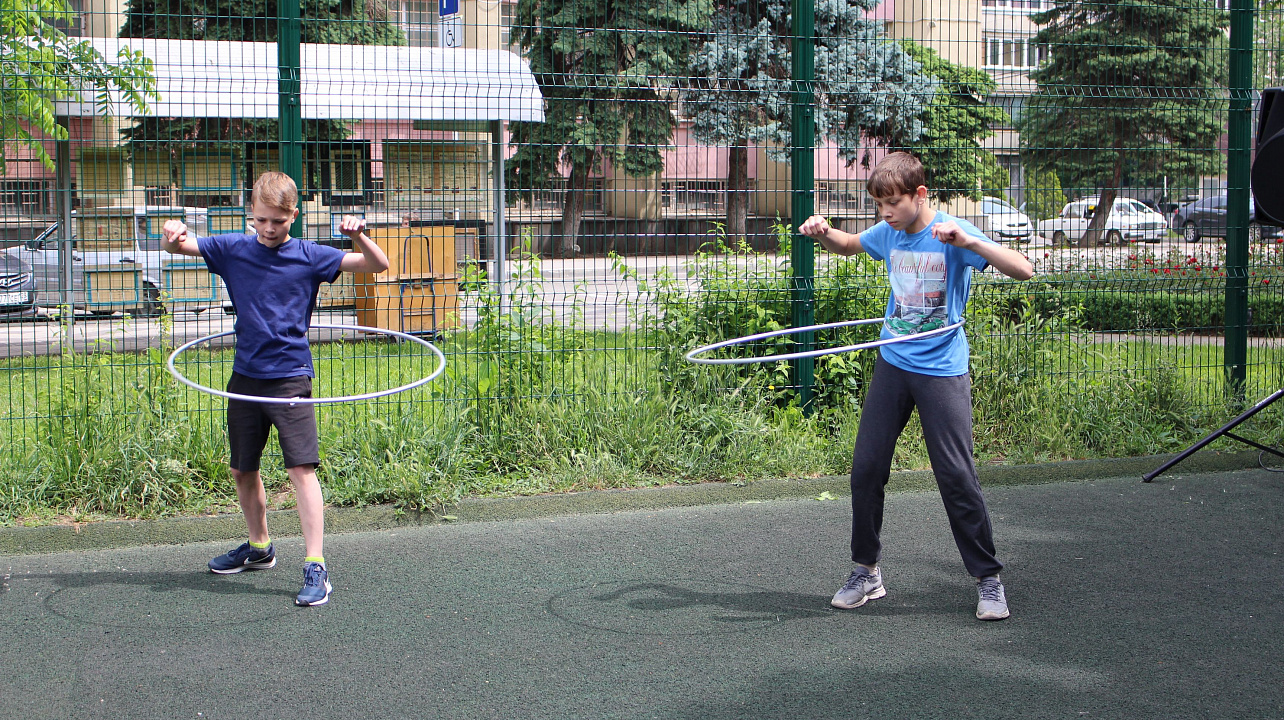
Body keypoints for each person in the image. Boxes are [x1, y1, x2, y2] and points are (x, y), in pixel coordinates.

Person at [799, 152, 1034, 621]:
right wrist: (822, 232)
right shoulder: (889, 233)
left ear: (919, 195)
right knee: (867, 468)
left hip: (942, 367)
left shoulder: (950, 232)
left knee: (956, 475)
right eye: (879, 204)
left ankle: (988, 579)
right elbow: (849, 244)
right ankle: (866, 572)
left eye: (893, 203)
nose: (885, 213)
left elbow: (1023, 269)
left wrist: (969, 241)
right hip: (894, 362)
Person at [160, 171, 390, 607]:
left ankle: (316, 565)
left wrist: (359, 236)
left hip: (289, 376)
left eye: (279, 222)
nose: (269, 229)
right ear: (251, 213)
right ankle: (260, 547)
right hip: (246, 376)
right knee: (241, 469)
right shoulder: (232, 249)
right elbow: (178, 248)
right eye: (262, 220)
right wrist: (173, 234)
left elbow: (377, 265)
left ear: (294, 216)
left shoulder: (309, 255)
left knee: (301, 470)